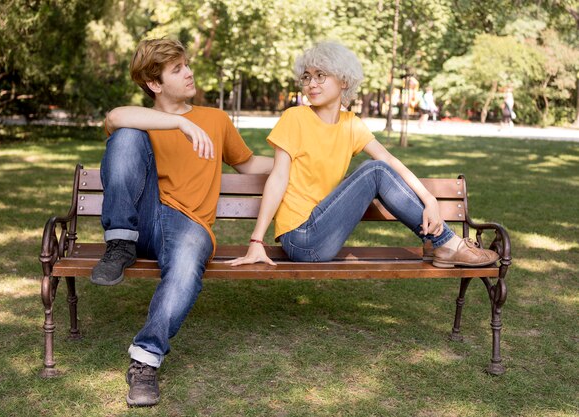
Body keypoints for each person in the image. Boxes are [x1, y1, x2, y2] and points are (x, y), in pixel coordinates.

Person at [90, 37, 273, 407]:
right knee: (125, 137)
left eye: (187, 64)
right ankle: (120, 242)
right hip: (141, 219)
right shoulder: (144, 120)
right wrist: (179, 124)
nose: (189, 72)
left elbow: (250, 165)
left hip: (188, 225)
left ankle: (145, 360)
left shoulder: (216, 119)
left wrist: (297, 165)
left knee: (188, 259)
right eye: (178, 69)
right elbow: (114, 118)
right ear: (154, 84)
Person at [227, 41, 499, 272]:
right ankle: (448, 244)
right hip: (301, 238)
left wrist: (430, 199)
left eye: (321, 75)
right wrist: (256, 241)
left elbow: (392, 161)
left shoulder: (351, 124)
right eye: (307, 76)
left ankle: (445, 244)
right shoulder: (295, 117)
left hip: (323, 232)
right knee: (374, 170)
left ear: (343, 80)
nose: (311, 83)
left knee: (379, 167)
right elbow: (278, 177)